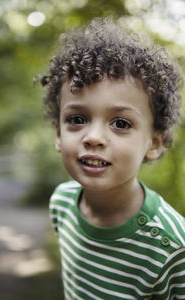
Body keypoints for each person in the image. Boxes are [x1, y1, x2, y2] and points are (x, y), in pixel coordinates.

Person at [41, 18, 185, 299]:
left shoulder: (171, 246)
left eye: (120, 123)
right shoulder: (61, 203)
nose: (93, 137)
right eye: (77, 119)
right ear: (58, 134)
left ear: (153, 144)